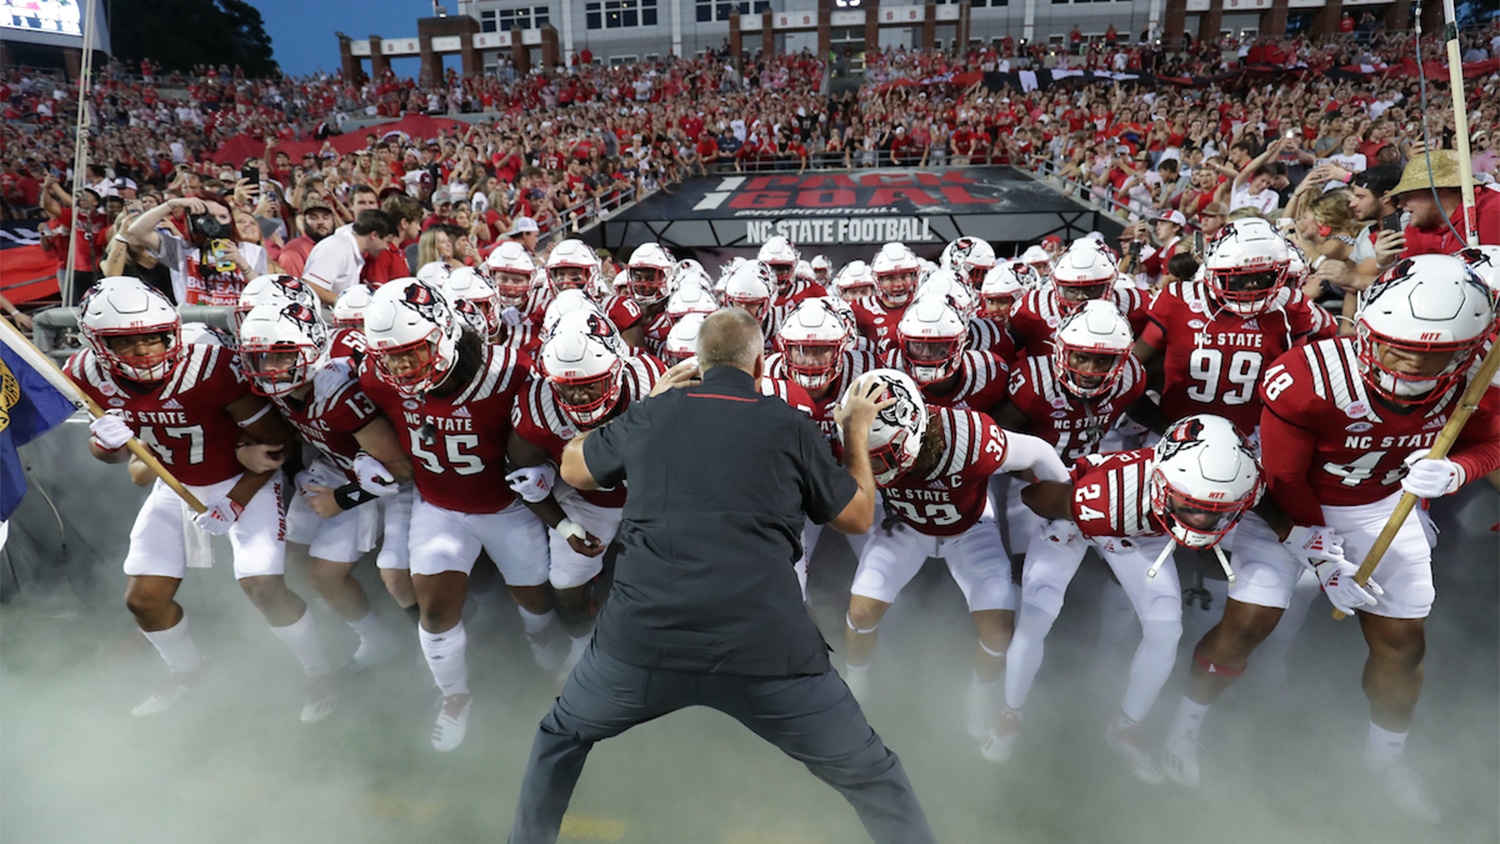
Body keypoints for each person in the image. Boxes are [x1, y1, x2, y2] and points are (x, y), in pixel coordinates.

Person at [507, 308, 937, 844]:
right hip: (767, 649)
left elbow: (572, 466)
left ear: (699, 363)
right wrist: (854, 432)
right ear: (761, 366)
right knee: (876, 777)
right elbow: (857, 516)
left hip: (642, 643)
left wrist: (642, 408)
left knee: (560, 736)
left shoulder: (651, 415)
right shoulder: (790, 424)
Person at [1257, 254, 1500, 822]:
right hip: (1296, 511)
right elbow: (1278, 481)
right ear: (1366, 324)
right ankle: (1233, 709)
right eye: (1397, 344)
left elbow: (1492, 441)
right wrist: (1314, 549)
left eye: (1437, 352)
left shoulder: (1477, 377)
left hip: (1380, 508)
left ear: (1467, 348)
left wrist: (1458, 470)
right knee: (1257, 623)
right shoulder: (1308, 378)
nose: (1414, 360)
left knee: (1405, 645)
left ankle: (1384, 761)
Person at [65, 277, 337, 722]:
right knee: (143, 598)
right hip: (175, 486)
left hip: (242, 480)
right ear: (98, 345)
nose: (147, 352)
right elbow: (116, 459)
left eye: (155, 337)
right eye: (127, 344)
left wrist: (233, 498)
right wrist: (106, 443)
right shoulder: (85, 373)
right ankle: (187, 671)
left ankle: (319, 670)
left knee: (262, 584)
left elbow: (275, 446)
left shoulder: (211, 367)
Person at [303, 210, 396, 307]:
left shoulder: (352, 251)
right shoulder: (337, 246)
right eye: (387, 242)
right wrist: (347, 304)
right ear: (374, 235)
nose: (387, 248)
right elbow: (311, 285)